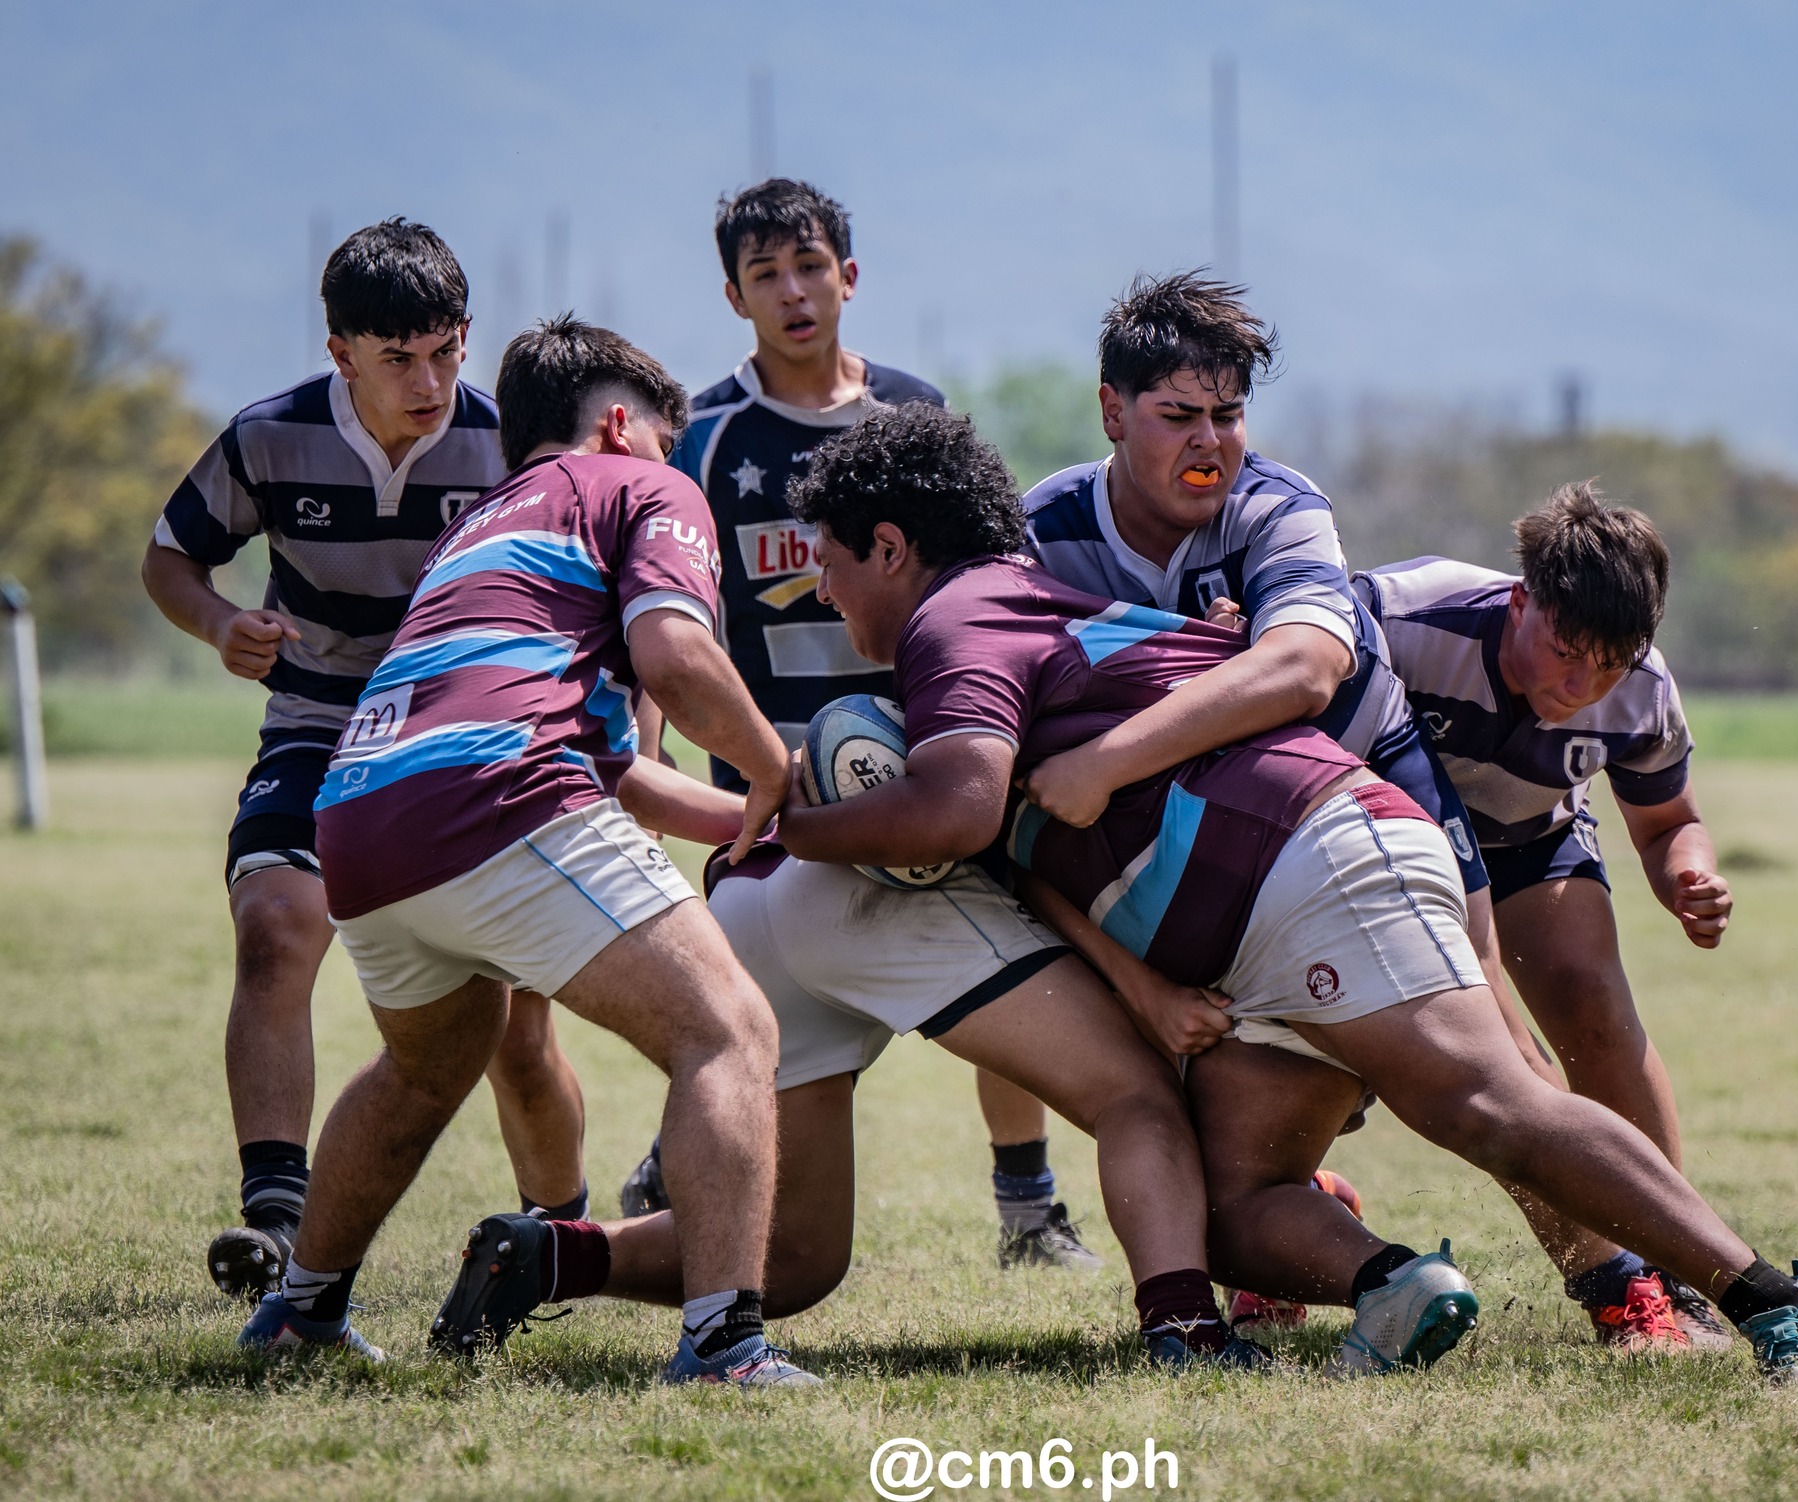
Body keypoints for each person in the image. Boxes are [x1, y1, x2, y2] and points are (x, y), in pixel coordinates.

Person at [765, 402, 1798, 1386]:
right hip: (1256, 924)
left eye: (830, 562)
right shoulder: (1003, 612)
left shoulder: (952, 619)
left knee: (1487, 1102)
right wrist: (1138, 985)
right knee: (1228, 1204)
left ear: (891, 548)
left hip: (1309, 863)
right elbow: (1011, 847)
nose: (824, 588)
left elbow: (956, 811)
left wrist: (780, 823)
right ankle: (1397, 1284)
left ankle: (1773, 1299)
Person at [1010, 274, 1668, 1343]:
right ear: (1109, 411)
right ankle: (1301, 1215)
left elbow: (1306, 667)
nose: (1208, 442)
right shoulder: (1040, 533)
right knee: (1194, 1083)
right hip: (1186, 820)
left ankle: (1622, 1287)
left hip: (1359, 778)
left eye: (1226, 415)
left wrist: (1113, 752)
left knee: (1487, 1040)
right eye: (1178, 415)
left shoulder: (1276, 502)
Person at [234, 317, 819, 1388]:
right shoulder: (641, 485)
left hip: (359, 811)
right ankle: (726, 1346)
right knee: (728, 1029)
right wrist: (768, 766)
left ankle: (298, 1310)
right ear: (616, 426)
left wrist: (761, 817)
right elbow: (677, 655)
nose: (673, 464)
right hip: (494, 798)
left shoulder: (478, 530)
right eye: (663, 440)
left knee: (424, 1067)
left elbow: (617, 771)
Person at [617, 178, 1097, 1271]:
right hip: (768, 777)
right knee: (739, 991)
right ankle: (674, 1150)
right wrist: (651, 758)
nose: (793, 292)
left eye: (809, 266)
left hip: (923, 760)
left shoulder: (915, 415)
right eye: (764, 275)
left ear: (849, 274)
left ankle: (1027, 1204)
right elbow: (664, 618)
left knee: (1010, 953)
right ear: (734, 296)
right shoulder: (703, 438)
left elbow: (989, 583)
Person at [140, 220, 588, 1306]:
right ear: (340, 350)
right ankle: (280, 1222)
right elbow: (169, 555)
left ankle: (567, 1243)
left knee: (515, 1026)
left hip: (463, 728)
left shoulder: (504, 445)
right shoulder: (267, 438)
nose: (428, 381)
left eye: (445, 350)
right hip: (315, 714)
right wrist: (217, 625)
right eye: (398, 358)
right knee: (274, 928)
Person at [428, 842, 1267, 1370]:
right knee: (1138, 1098)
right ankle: (1186, 1329)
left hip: (750, 891)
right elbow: (978, 801)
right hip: (874, 887)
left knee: (791, 1257)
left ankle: (544, 1255)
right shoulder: (996, 607)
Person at [1358, 484, 1736, 1343]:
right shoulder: (1406, 616)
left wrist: (1690, 876)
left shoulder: (1639, 686)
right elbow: (1292, 641)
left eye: (1607, 664)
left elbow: (1671, 824)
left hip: (1532, 840)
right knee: (1503, 1057)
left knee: (1595, 1007)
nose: (1581, 685)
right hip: (1393, 851)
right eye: (1567, 652)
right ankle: (1612, 1285)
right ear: (1520, 600)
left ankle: (1678, 1273)